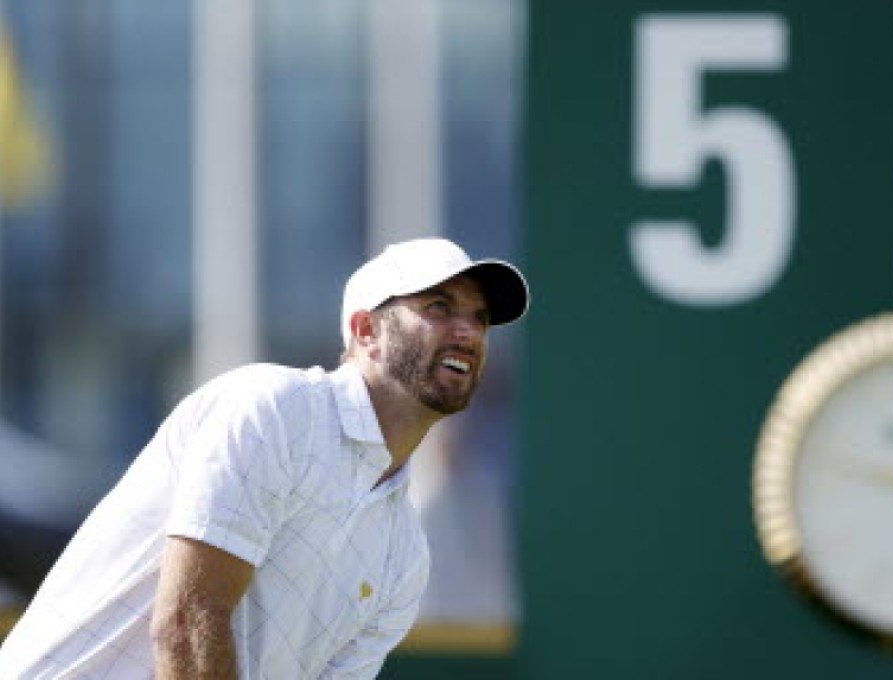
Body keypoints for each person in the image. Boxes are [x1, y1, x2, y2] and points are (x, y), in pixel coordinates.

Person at [0, 238, 529, 679]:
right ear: (366, 331)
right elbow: (186, 625)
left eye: (480, 319)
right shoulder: (273, 409)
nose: (468, 332)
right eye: (439, 308)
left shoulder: (405, 554)